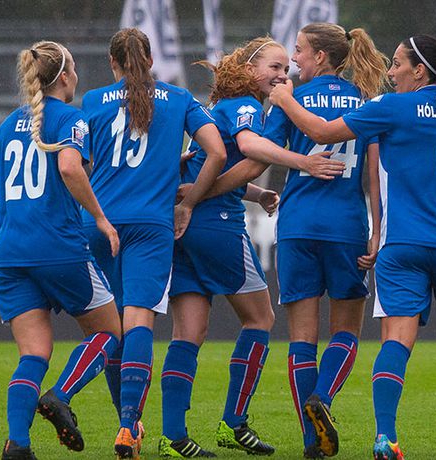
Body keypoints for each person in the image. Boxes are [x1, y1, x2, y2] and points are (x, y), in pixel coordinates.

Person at [269, 34, 436, 460]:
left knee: (395, 342)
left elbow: (322, 131)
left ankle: (385, 438)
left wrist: (285, 99)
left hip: (403, 246)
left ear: (419, 71)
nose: (390, 71)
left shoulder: (392, 107)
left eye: (398, 63)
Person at [158, 36, 346, 459]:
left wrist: (256, 193)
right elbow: (250, 149)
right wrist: (303, 161)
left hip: (183, 226)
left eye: (285, 68)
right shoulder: (244, 105)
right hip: (218, 226)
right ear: (248, 71)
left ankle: (173, 436)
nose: (283, 75)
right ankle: (234, 421)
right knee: (260, 319)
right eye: (274, 67)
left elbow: (216, 164)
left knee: (188, 332)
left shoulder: (216, 107)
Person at [206, 23, 385, 459]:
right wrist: (377, 229)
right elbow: (374, 173)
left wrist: (203, 192)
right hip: (346, 226)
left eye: (300, 51)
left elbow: (255, 163)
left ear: (320, 57)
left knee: (302, 337)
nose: (294, 60)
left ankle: (311, 441)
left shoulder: (290, 98)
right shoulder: (364, 101)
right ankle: (322, 397)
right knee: (346, 331)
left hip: (298, 225)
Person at [80, 28, 226, 459]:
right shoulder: (179, 99)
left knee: (112, 328)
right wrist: (189, 202)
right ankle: (128, 426)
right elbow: (217, 153)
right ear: (150, 60)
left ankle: (127, 423)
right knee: (139, 320)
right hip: (150, 224)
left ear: (113, 63)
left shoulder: (92, 101)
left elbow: (84, 163)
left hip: (102, 223)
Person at [0, 41, 122, 460]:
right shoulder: (71, 119)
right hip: (59, 247)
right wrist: (100, 218)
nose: (76, 76)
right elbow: (70, 167)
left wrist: (24, 207)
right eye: (73, 68)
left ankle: (18, 445)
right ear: (63, 77)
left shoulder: (8, 124)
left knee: (34, 354)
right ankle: (61, 395)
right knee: (109, 332)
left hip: (10, 253)